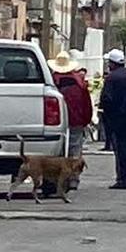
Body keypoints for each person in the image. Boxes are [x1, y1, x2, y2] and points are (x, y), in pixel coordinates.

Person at [100, 49, 126, 189]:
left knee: (121, 148)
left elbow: (106, 99)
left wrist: (107, 116)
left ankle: (123, 178)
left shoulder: (111, 78)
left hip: (119, 119)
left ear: (112, 63)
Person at [48, 51, 92, 188]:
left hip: (55, 121)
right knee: (75, 150)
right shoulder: (79, 83)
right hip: (76, 120)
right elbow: (87, 104)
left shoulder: (51, 82)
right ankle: (73, 179)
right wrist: (86, 120)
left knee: (56, 152)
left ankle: (55, 179)